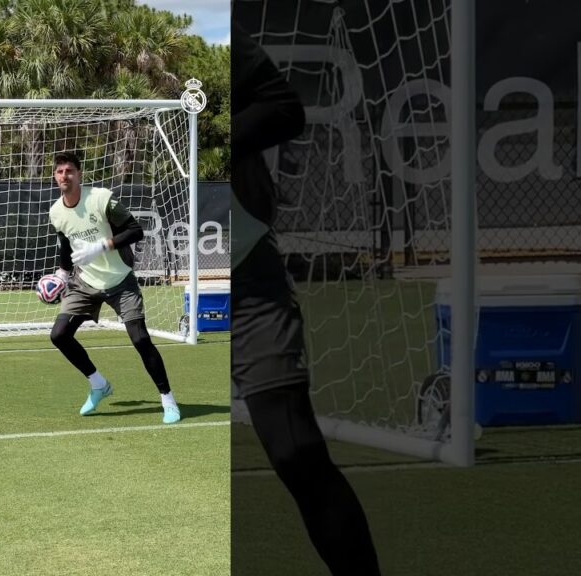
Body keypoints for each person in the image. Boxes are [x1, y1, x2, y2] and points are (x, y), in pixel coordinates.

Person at [231, 25, 383, 576]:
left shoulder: (206, 34)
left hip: (244, 278)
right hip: (155, 281)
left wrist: (213, 139)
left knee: (297, 454)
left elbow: (284, 108)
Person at [47, 151, 180, 424]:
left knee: (140, 339)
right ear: (55, 176)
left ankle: (168, 399)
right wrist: (62, 274)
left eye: (69, 170)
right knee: (59, 335)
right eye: (60, 171)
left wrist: (101, 246)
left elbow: (136, 230)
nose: (64, 176)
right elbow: (65, 245)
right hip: (84, 282)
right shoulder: (56, 212)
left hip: (120, 280)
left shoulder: (100, 199)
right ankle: (98, 384)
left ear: (79, 174)